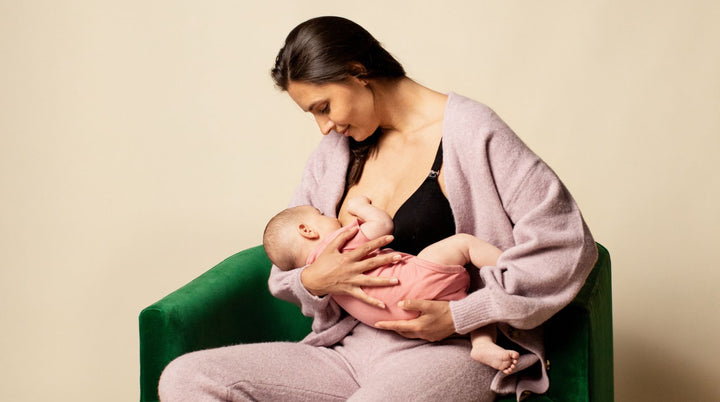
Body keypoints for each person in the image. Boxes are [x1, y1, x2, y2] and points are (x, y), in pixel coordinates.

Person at [159, 15, 598, 401]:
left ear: (357, 72)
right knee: (186, 379)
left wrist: (462, 314)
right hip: (347, 352)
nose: (324, 125)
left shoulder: (472, 132)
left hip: (450, 352)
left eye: (324, 107)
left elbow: (567, 246)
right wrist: (316, 279)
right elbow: (289, 262)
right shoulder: (336, 150)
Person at [263, 195, 520, 374]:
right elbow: (383, 224)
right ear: (308, 230)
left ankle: (482, 345)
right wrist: (360, 206)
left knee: (468, 310)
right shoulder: (338, 243)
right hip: (413, 282)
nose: (329, 215)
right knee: (463, 244)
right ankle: (516, 269)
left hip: (398, 320)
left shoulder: (321, 278)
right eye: (320, 215)